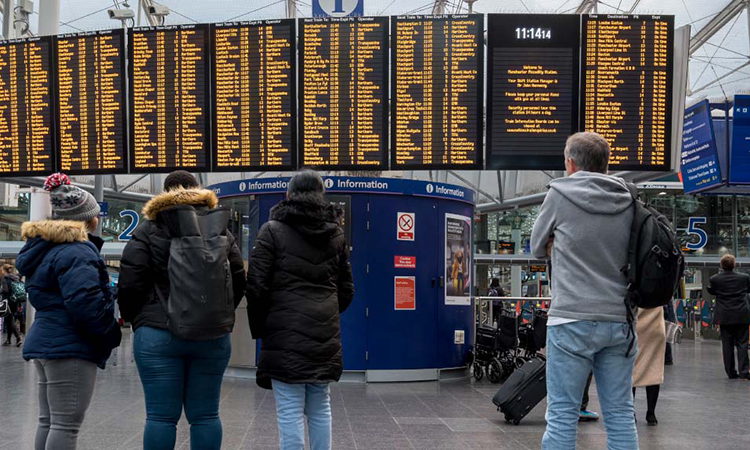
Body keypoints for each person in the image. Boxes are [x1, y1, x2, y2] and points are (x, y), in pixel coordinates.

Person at [118, 170, 246, 450]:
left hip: (157, 334)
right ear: (197, 190)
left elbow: (129, 281)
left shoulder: (147, 229)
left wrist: (139, 320)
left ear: (163, 194)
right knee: (206, 415)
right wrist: (218, 314)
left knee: (161, 417)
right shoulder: (219, 228)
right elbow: (238, 277)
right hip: (211, 334)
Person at [531, 132, 637, 449]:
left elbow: (537, 246)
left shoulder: (559, 194)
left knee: (562, 414)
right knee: (620, 414)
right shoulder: (629, 197)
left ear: (571, 163)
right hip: (619, 319)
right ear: (605, 165)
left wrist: (557, 245)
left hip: (570, 319)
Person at [246, 170, 354, 450]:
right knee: (320, 406)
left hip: (284, 335)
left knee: (289, 408)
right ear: (321, 197)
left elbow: (256, 286)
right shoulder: (336, 234)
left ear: (287, 196)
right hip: (324, 335)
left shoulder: (271, 231)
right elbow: (346, 290)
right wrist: (325, 313)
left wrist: (263, 327)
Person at [16, 173, 121, 450]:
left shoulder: (46, 249)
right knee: (65, 425)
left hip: (46, 342)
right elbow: (85, 304)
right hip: (69, 346)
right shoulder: (77, 251)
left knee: (49, 421)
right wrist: (111, 334)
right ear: (87, 218)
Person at [707, 254, 750, 379]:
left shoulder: (715, 279)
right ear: (734, 265)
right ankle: (744, 372)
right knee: (742, 343)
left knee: (727, 344)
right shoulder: (744, 278)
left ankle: (731, 372)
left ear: (721, 265)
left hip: (724, 316)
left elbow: (712, 290)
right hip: (742, 314)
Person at [632, 307, 667, 426]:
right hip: (655, 327)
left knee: (632, 370)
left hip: (636, 325)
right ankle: (651, 414)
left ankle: (630, 412)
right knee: (654, 369)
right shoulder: (659, 287)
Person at [1, 264, 23, 347]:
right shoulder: (15, 278)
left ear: (4, 270)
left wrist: (1, 291)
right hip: (15, 301)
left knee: (9, 320)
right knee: (8, 319)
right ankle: (8, 340)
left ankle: (18, 338)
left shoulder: (4, 278)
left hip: (8, 301)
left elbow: (5, 290)